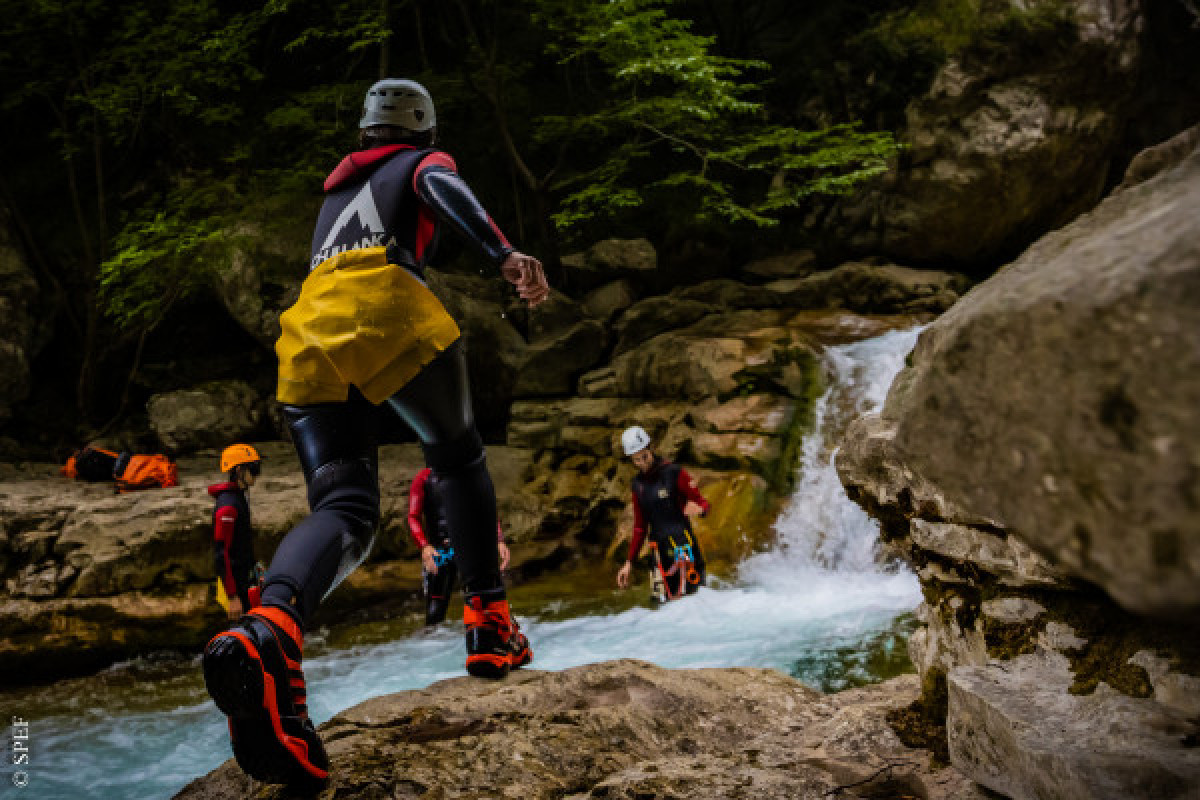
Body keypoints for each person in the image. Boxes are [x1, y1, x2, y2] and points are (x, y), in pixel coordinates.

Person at [202, 78, 548, 787]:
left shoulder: (333, 200)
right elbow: (441, 187)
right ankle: (489, 623)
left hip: (308, 330)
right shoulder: (422, 162)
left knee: (345, 509)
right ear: (423, 131)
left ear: (364, 132)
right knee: (456, 458)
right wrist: (503, 252)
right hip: (385, 307)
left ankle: (268, 628)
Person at [615, 426, 711, 601]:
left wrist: (701, 510)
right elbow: (639, 527)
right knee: (661, 606)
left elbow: (702, 503)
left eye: (644, 457)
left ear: (651, 448)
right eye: (636, 460)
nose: (642, 463)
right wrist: (629, 562)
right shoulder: (638, 486)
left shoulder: (674, 473)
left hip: (684, 548)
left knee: (695, 602)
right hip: (659, 553)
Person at [409, 466, 513, 625]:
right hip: (440, 553)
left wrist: (498, 540)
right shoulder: (423, 478)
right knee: (435, 614)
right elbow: (413, 516)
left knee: (484, 604)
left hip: (470, 549)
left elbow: (486, 508)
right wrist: (424, 546)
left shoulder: (469, 473)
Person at [208, 444, 263, 620]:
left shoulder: (240, 496)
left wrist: (255, 566)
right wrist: (232, 597)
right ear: (239, 470)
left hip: (245, 579)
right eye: (254, 469)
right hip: (235, 588)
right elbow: (221, 553)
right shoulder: (228, 507)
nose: (257, 474)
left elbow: (242, 541)